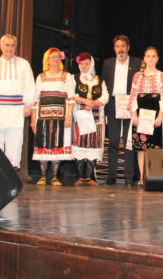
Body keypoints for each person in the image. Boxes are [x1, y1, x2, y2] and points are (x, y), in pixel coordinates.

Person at [0, 34, 35, 169]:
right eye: (7, 45)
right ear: (1, 46)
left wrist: (28, 104)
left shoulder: (24, 64)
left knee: (15, 139)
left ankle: (12, 170)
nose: (9, 48)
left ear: (16, 47)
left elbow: (29, 85)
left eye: (12, 45)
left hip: (16, 109)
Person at [30, 48, 75, 186]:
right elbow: (35, 99)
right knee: (43, 142)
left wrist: (69, 116)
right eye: (52, 57)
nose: (55, 59)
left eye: (57, 56)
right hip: (43, 116)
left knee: (57, 142)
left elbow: (71, 98)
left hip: (60, 115)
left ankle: (55, 176)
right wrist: (33, 120)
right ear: (47, 60)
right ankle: (43, 176)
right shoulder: (41, 77)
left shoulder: (67, 76)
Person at [101, 35, 142, 186]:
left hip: (131, 104)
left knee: (129, 141)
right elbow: (104, 84)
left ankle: (128, 175)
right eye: (118, 46)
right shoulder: (108, 63)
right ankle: (112, 175)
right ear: (114, 48)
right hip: (113, 104)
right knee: (113, 141)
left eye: (123, 46)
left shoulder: (137, 63)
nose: (120, 49)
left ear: (128, 47)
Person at [128, 47, 163, 186]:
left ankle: (153, 177)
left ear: (157, 59)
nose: (150, 59)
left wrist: (160, 116)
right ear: (144, 58)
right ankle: (142, 177)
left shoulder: (162, 76)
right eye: (148, 56)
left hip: (155, 114)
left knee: (154, 146)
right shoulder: (137, 76)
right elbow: (133, 96)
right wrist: (134, 114)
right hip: (140, 114)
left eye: (153, 56)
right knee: (141, 147)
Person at [72, 52, 108, 185]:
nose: (84, 66)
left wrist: (93, 103)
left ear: (91, 64)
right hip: (80, 116)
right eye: (81, 64)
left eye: (86, 63)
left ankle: (89, 177)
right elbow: (72, 95)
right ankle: (80, 177)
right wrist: (85, 101)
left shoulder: (99, 80)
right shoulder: (74, 78)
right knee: (80, 144)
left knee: (93, 143)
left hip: (96, 117)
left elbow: (105, 96)